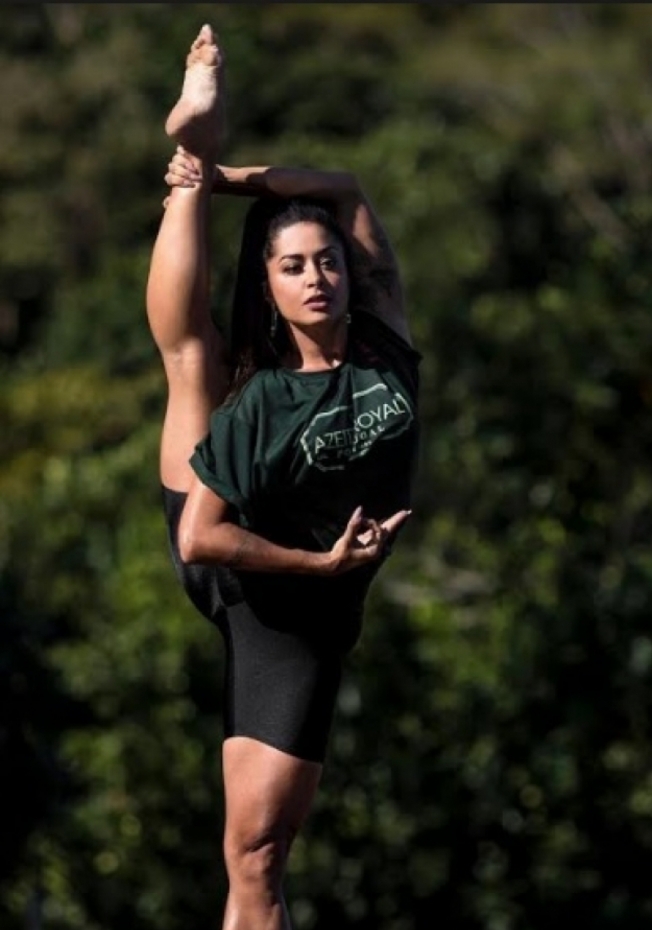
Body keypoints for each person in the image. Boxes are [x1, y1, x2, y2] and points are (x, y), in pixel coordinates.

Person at [146, 22, 421, 930]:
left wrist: (222, 175)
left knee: (263, 858)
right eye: (293, 266)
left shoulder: (384, 340)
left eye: (328, 261)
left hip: (315, 595)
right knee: (192, 358)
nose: (317, 277)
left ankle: (194, 157)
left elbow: (341, 187)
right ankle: (187, 169)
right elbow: (201, 538)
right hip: (262, 585)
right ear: (267, 284)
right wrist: (318, 567)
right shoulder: (259, 403)